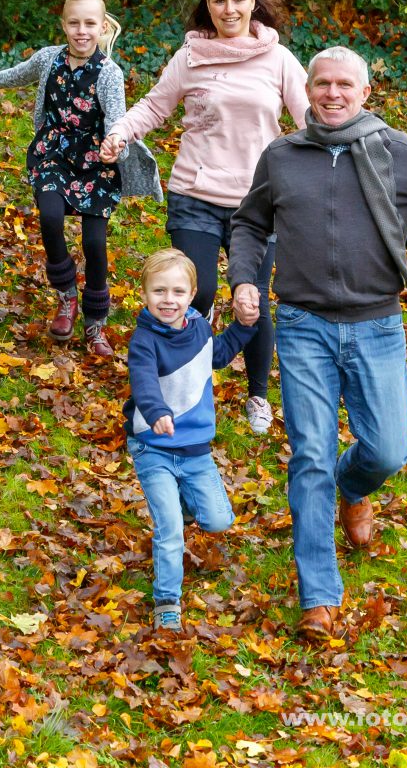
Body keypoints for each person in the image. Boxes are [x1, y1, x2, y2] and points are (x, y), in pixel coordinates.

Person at [228, 45, 407, 640]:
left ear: (364, 93)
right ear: (308, 90)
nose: (332, 94)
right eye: (321, 83)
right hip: (302, 326)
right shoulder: (282, 157)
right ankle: (318, 598)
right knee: (311, 456)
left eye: (344, 84)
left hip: (377, 325)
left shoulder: (396, 151)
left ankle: (354, 489)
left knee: (386, 452)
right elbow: (249, 223)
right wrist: (245, 277)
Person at [99, 0, 307, 434]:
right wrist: (119, 133)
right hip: (194, 191)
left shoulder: (279, 59)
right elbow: (154, 105)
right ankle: (190, 369)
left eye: (237, 0)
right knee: (202, 291)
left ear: (253, 2)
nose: (228, 9)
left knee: (251, 300)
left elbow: (309, 117)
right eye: (219, 1)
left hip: (257, 202)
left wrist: (339, 153)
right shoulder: (191, 56)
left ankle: (256, 394)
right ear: (207, 6)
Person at [0, 0, 161, 355]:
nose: (81, 31)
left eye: (89, 24)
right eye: (74, 23)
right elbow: (17, 74)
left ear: (102, 27)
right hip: (51, 153)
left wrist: (115, 142)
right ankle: (66, 295)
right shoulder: (48, 59)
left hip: (95, 162)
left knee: (94, 244)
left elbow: (118, 117)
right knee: (50, 217)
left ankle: (95, 323)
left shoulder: (108, 73)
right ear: (63, 25)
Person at [124, 248, 256, 631]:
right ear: (145, 294)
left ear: (193, 293)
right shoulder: (144, 340)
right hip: (154, 446)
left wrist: (244, 327)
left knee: (217, 520)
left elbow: (217, 356)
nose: (169, 300)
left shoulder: (199, 328)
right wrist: (156, 412)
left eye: (178, 292)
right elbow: (144, 380)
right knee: (170, 531)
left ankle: (183, 505)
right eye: (159, 291)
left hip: (195, 449)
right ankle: (167, 602)